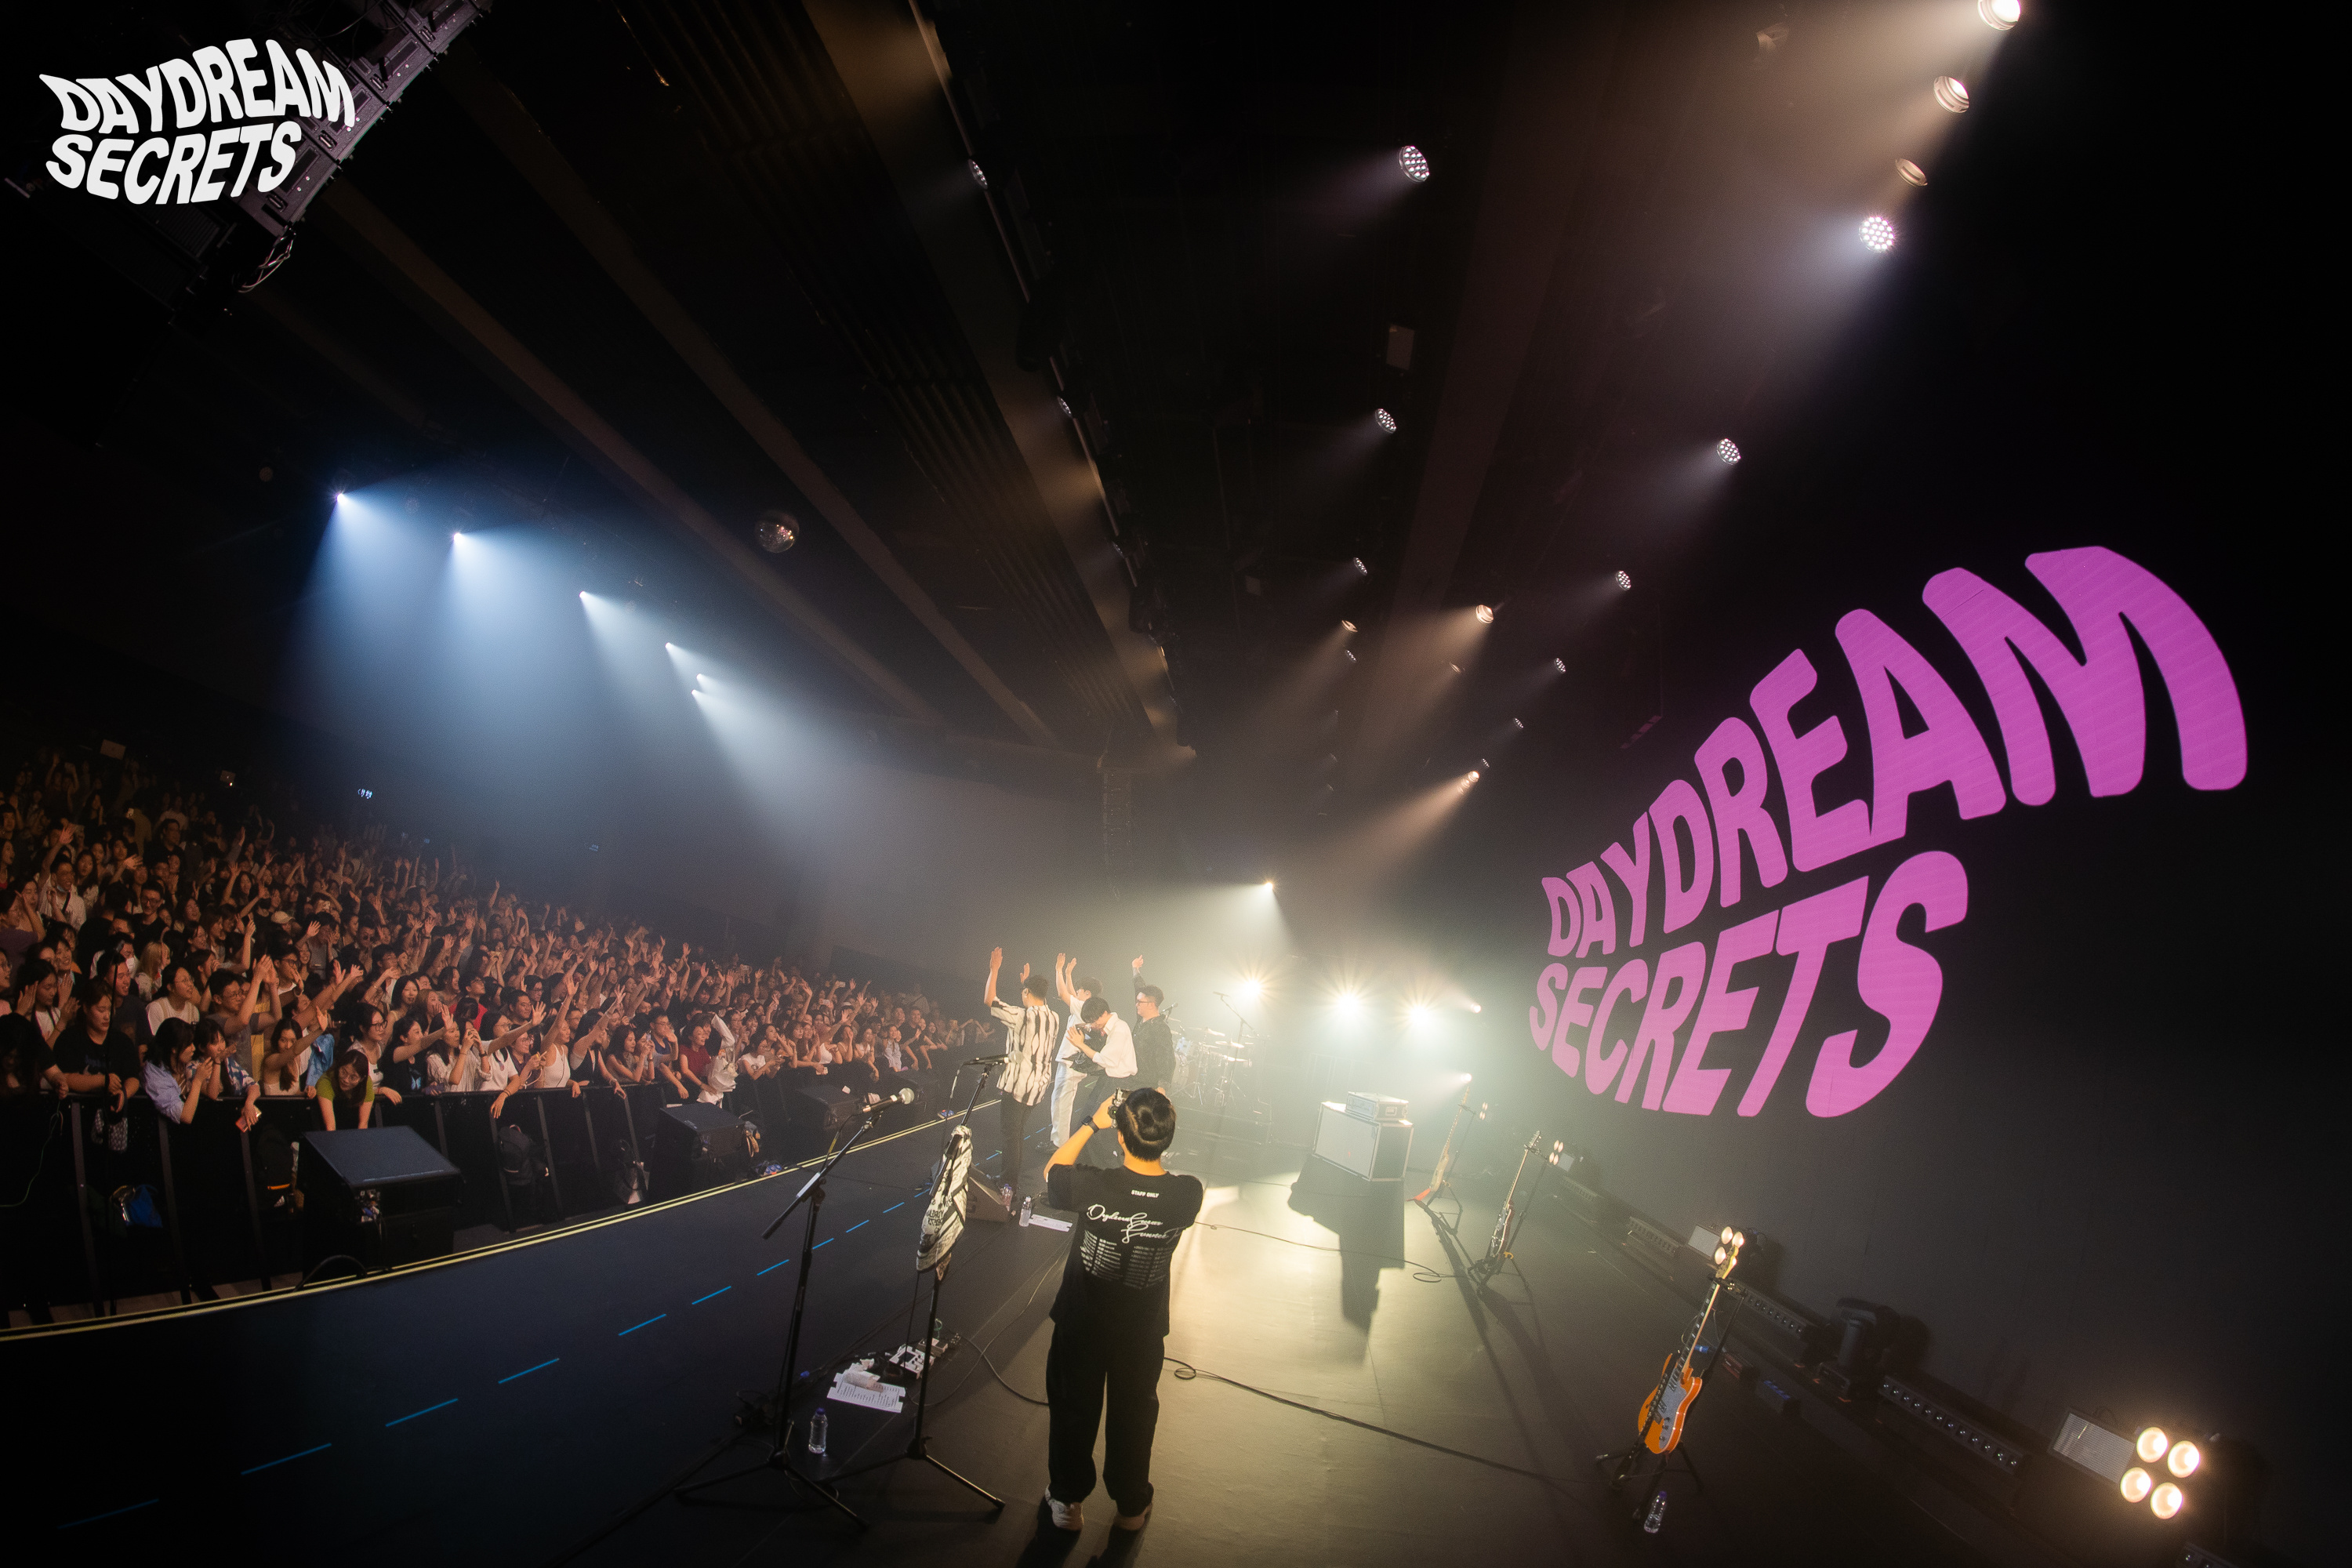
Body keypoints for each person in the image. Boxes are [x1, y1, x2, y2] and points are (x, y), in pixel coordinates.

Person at [1039, 1089, 1200, 1537]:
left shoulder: (1095, 1185)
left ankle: (1067, 1501)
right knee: (1134, 1415)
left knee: (1073, 1410)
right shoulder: (1187, 1194)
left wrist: (1093, 1122)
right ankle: (1131, 1506)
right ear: (1167, 1135)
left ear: (1121, 1137)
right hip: (1141, 1330)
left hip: (1082, 1323)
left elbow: (1052, 1172)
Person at [983, 947, 1058, 1211]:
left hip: (1017, 1086)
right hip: (1037, 1088)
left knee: (1011, 1138)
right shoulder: (1054, 1017)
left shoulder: (1022, 1015)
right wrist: (1026, 984)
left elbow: (990, 1000)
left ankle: (1008, 1186)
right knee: (1017, 1136)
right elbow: (1035, 1008)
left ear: (1026, 993)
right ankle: (1008, 1180)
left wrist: (994, 969)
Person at [317, 1047, 377, 1131]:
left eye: (353, 1077)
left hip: (351, 1124)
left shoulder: (366, 1082)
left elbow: (363, 1124)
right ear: (339, 1067)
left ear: (362, 1079)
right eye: (343, 1072)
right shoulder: (326, 1081)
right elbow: (330, 1127)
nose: (346, 1080)